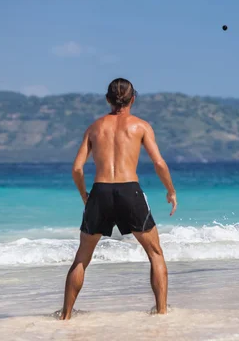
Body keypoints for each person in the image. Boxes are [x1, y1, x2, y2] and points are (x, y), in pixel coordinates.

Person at [60, 78, 177, 320]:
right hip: (129, 190)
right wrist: (171, 191)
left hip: (100, 191)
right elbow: (158, 162)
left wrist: (85, 195)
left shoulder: (94, 127)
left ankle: (66, 316)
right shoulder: (141, 126)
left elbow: (77, 169)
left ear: (107, 99)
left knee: (82, 258)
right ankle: (162, 313)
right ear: (133, 98)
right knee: (155, 253)